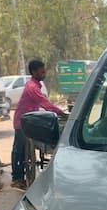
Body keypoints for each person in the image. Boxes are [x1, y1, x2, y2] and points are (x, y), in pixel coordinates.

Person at [11, 58, 69, 190]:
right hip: (23, 122)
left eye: (44, 72)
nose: (44, 74)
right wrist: (63, 114)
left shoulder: (35, 86)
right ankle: (17, 179)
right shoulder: (32, 87)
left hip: (30, 119)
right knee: (19, 151)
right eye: (42, 72)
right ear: (34, 72)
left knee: (20, 149)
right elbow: (46, 104)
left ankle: (19, 178)